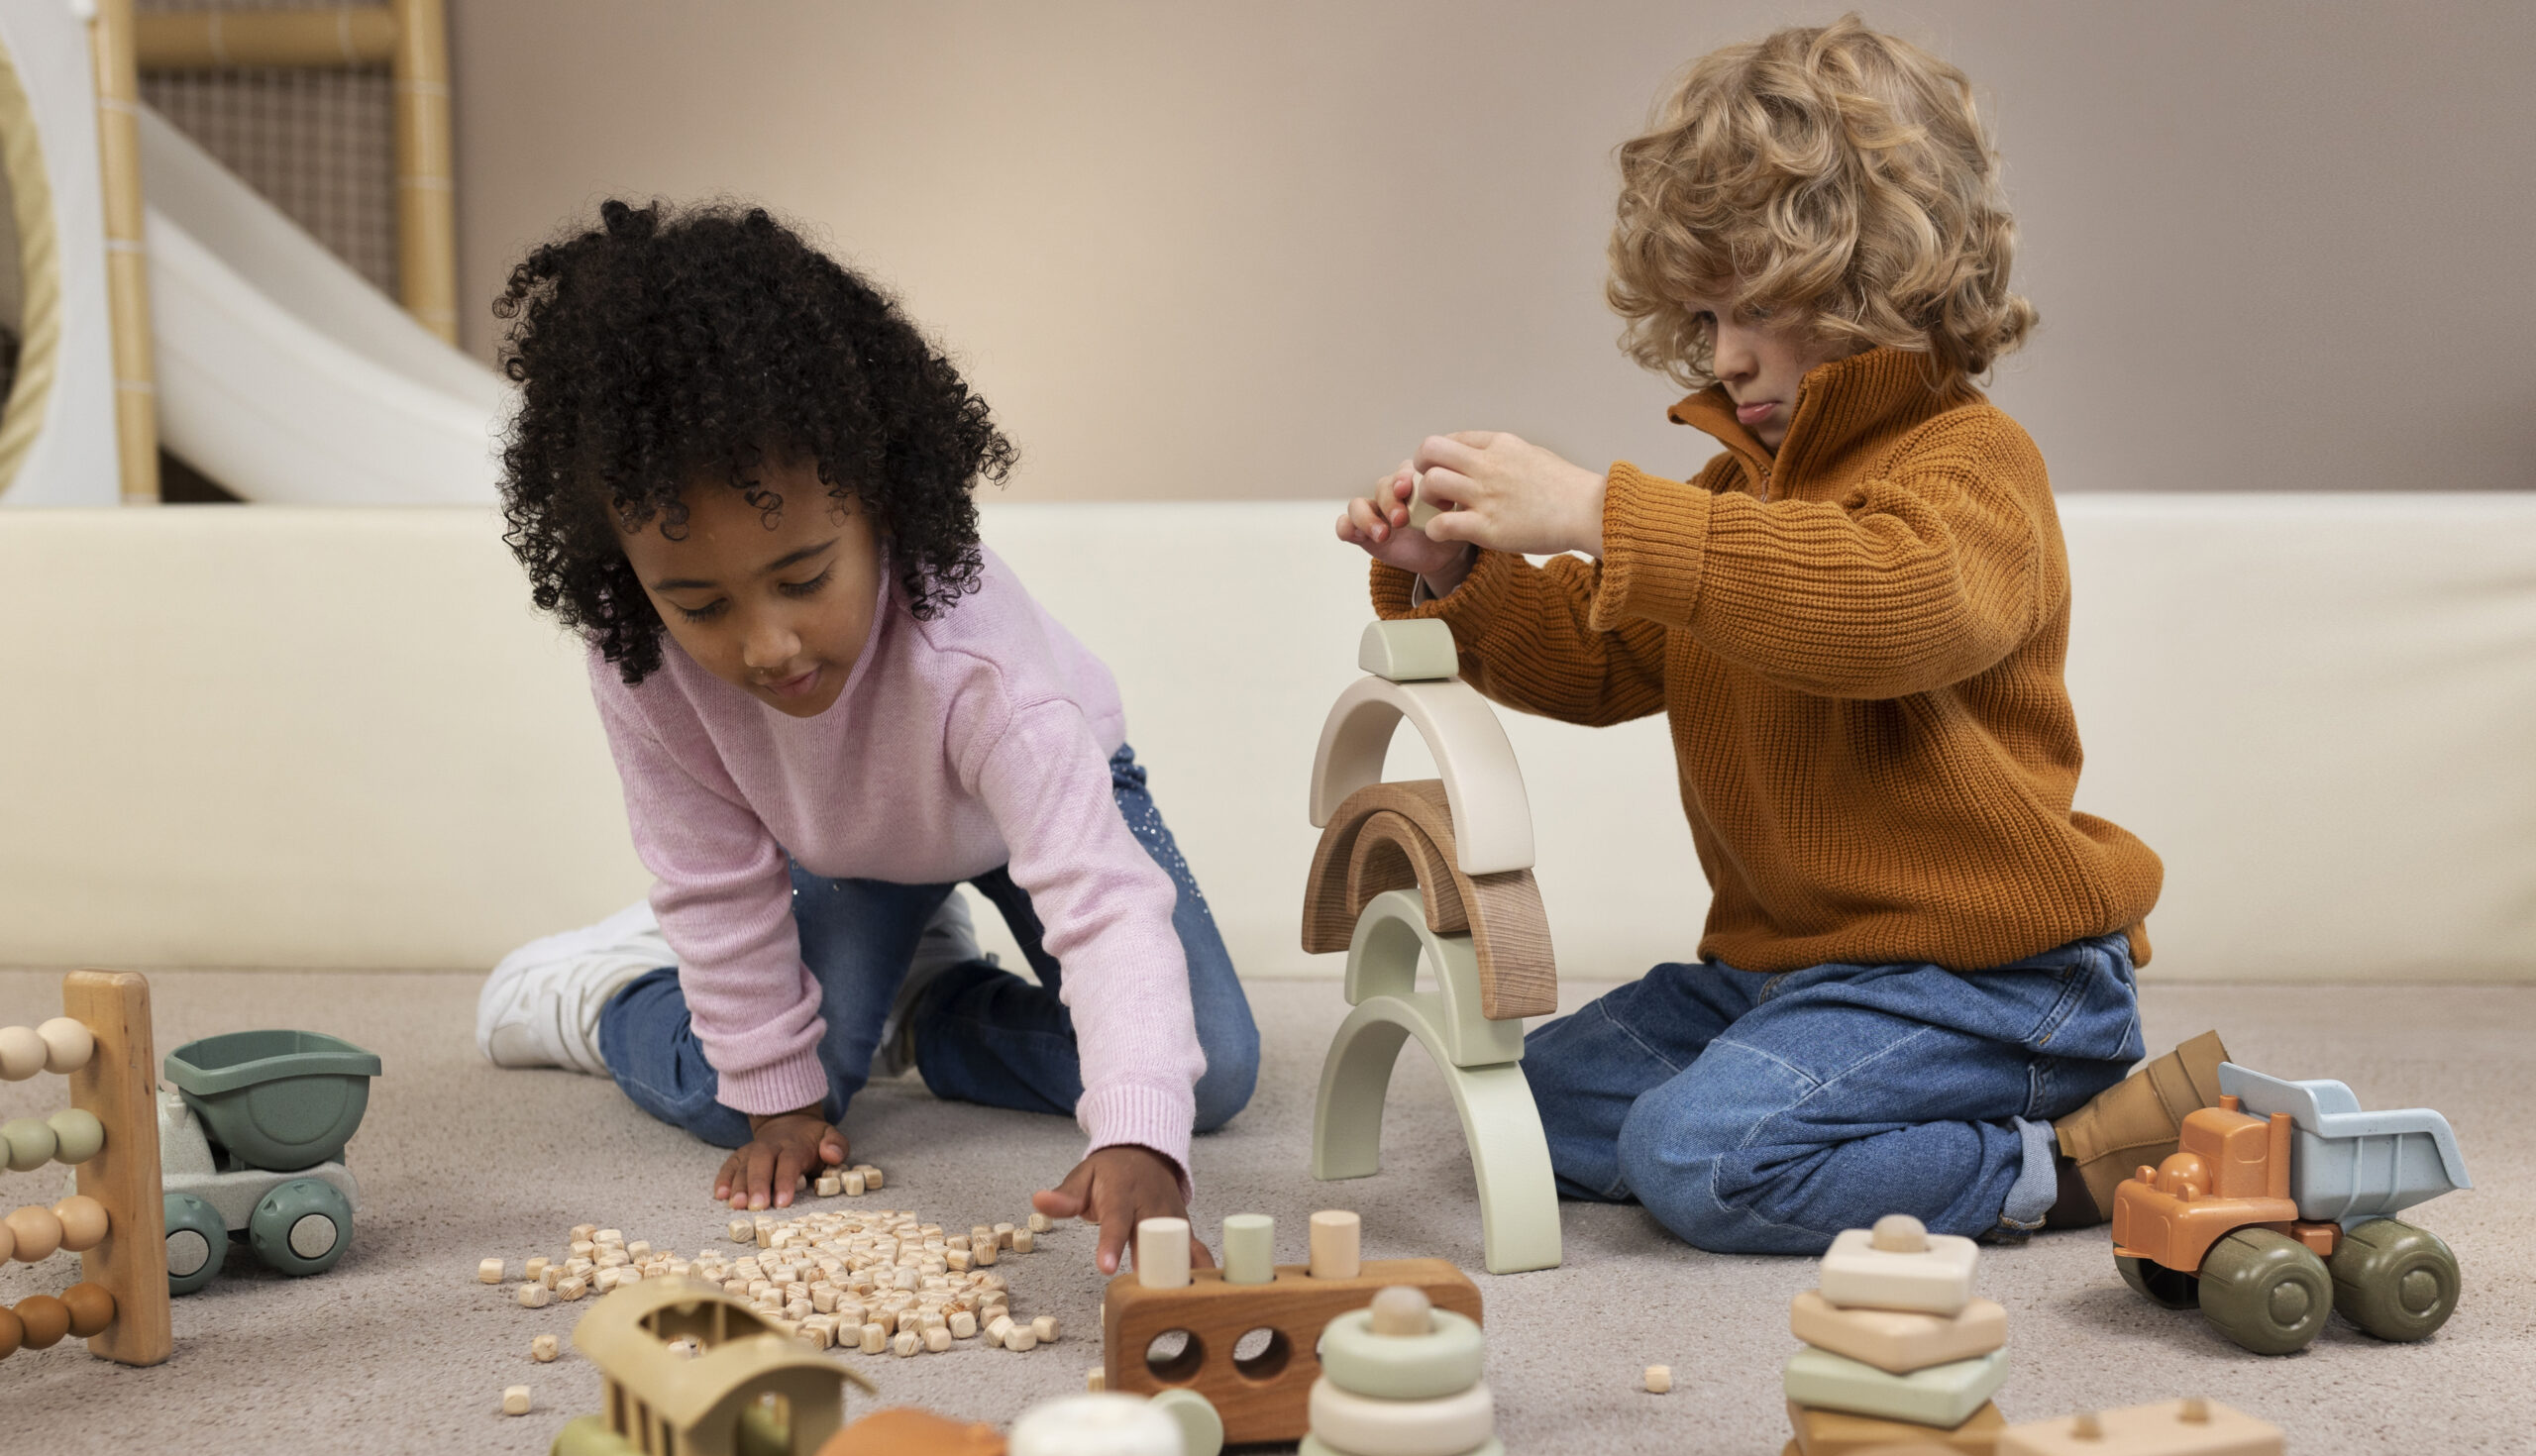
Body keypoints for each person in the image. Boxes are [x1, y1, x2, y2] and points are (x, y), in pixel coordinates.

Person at [1337, 17, 2168, 1253]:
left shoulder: (1972, 463)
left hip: (1986, 982)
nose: (1725, 359)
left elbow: (1890, 606)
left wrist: (1598, 509)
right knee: (1531, 1095)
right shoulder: (1734, 498)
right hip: (1786, 973)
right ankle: (1825, 1102)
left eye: (1762, 309)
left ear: (1875, 280)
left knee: (1700, 1158)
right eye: (1709, 314)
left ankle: (2062, 1161)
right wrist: (1455, 575)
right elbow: (1608, 656)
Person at [476, 199, 1256, 1272]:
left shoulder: (983, 671)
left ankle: (927, 1005)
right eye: (700, 603)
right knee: (745, 1099)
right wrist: (776, 1093)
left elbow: (1102, 899)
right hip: (842, 848)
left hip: (1033, 812)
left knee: (1202, 1078)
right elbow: (711, 876)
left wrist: (1133, 1136)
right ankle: (596, 995)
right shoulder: (641, 658)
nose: (767, 644)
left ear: (883, 507)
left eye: (803, 578)